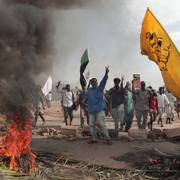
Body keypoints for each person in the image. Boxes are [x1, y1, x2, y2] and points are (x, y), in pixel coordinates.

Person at [84, 66, 112, 145]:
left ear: (97, 83)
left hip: (99, 110)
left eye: (95, 82)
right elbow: (85, 99)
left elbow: (103, 81)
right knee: (91, 125)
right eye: (92, 82)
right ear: (91, 83)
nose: (94, 83)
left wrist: (106, 73)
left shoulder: (100, 88)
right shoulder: (88, 91)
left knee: (102, 124)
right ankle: (94, 139)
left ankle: (108, 138)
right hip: (91, 111)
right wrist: (84, 102)